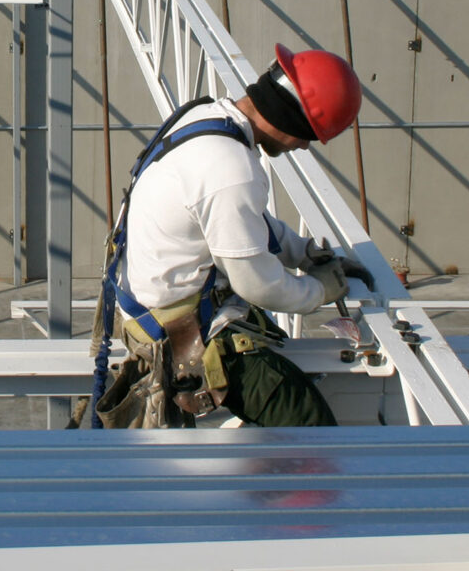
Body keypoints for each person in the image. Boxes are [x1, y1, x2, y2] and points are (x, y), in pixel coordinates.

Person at [93, 43, 374, 430]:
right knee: (306, 419)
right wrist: (321, 290)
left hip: (152, 303)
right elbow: (259, 285)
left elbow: (243, 222)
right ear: (290, 119)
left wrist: (304, 253)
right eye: (307, 136)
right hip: (177, 332)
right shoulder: (231, 168)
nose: (303, 146)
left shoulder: (207, 117)